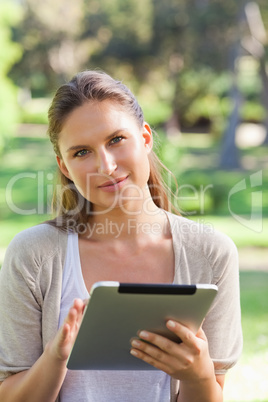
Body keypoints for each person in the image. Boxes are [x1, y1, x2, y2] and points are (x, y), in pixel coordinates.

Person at [0, 70, 242, 402]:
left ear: (145, 138)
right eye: (81, 152)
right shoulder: (32, 254)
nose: (106, 165)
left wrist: (198, 375)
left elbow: (211, 391)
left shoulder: (211, 253)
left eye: (116, 140)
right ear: (64, 167)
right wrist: (55, 358)